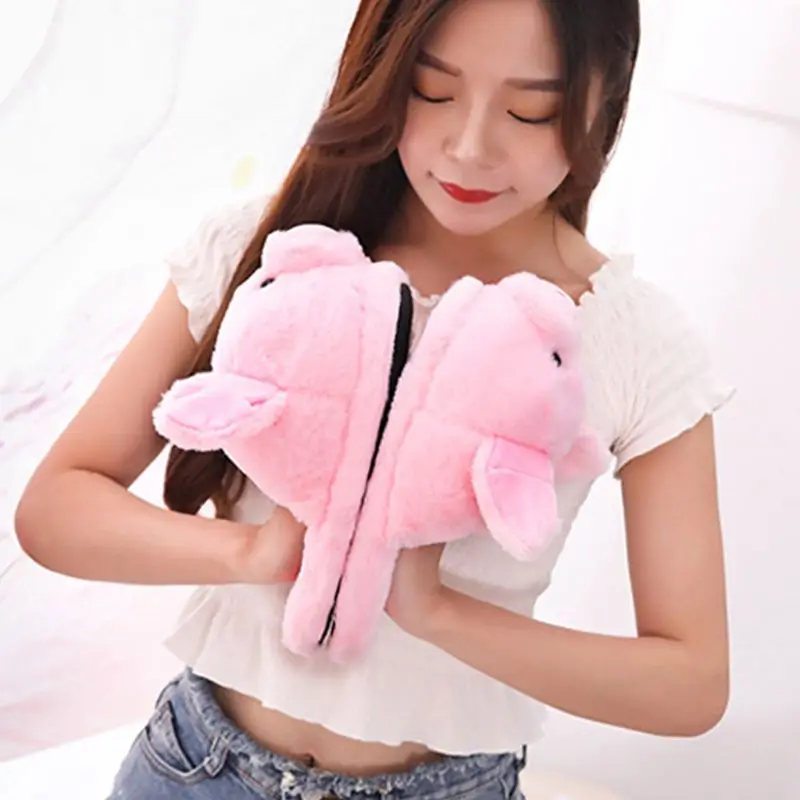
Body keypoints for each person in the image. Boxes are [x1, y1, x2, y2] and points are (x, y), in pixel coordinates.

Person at [14, 0, 735, 797]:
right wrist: (252, 554)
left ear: (607, 98)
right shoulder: (276, 252)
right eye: (433, 91)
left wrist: (437, 612)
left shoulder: (626, 337)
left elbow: (690, 684)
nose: (471, 147)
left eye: (532, 110)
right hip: (195, 768)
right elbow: (56, 510)